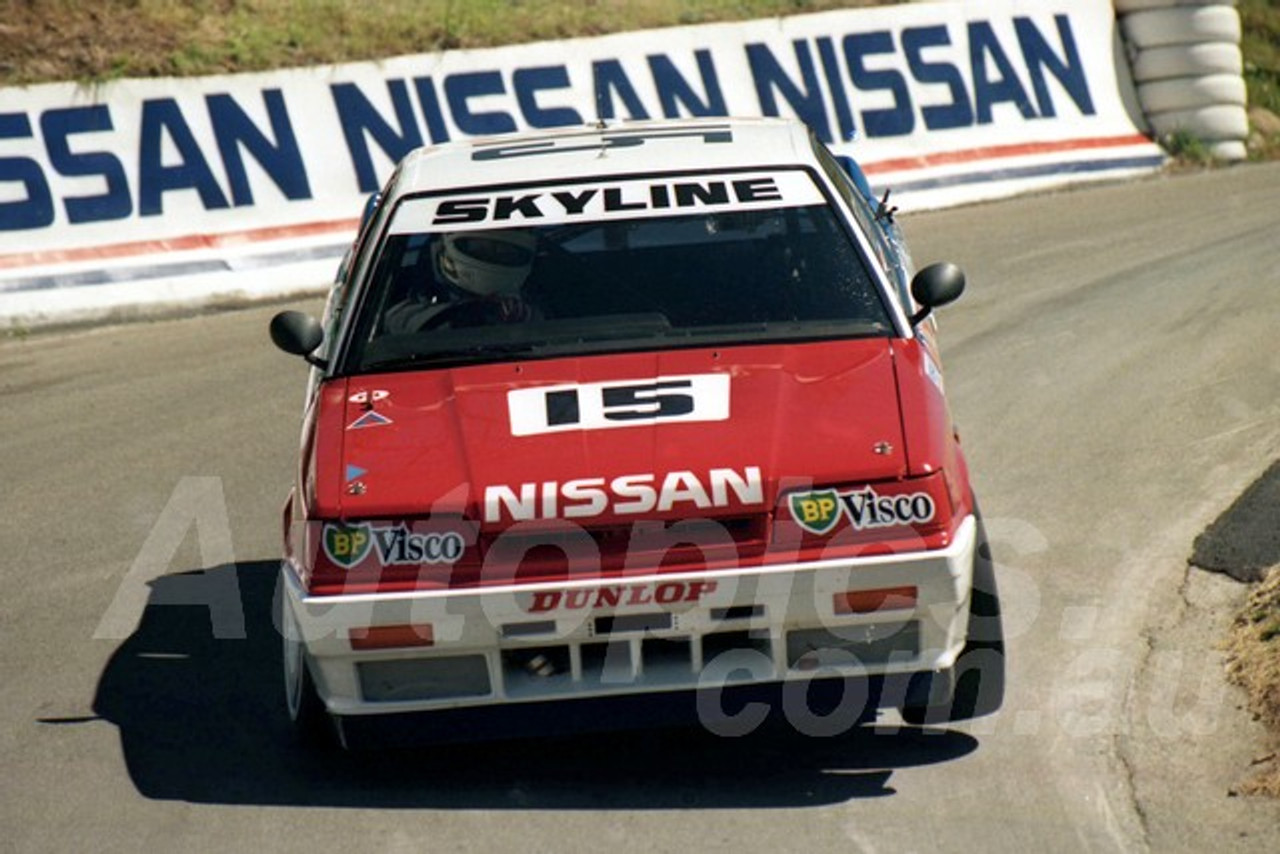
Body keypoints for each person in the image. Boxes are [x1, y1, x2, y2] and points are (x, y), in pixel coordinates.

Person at [383, 229, 540, 333]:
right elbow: (397, 328)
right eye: (480, 248)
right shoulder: (403, 311)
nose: (491, 254)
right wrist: (467, 314)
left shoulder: (541, 312)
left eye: (505, 252)